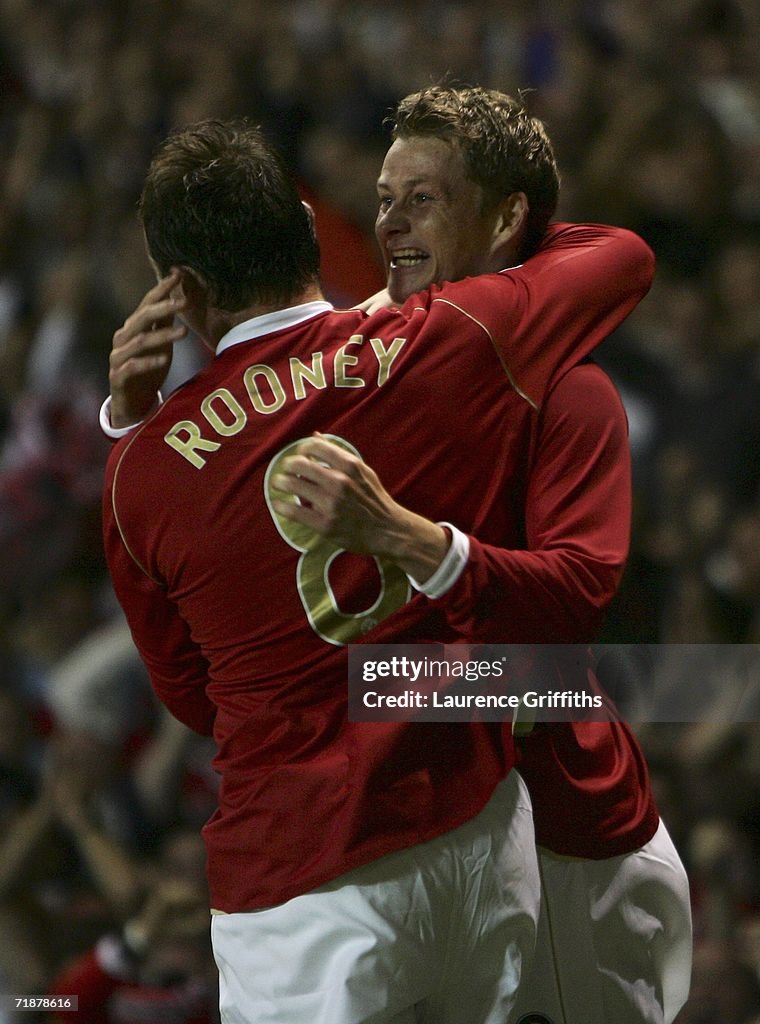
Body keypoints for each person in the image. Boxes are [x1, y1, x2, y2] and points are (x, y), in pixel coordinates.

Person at [101, 114, 654, 1023]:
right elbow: (623, 255)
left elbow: (196, 702)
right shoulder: (449, 333)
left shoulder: (140, 471)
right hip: (476, 837)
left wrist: (130, 423)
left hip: (304, 881)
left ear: (180, 290)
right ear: (316, 233)